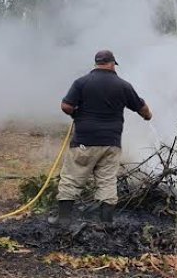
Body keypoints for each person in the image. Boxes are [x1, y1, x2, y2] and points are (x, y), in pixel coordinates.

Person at [52, 50, 153, 228]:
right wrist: (148, 117)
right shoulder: (123, 85)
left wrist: (76, 113)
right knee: (107, 181)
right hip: (111, 144)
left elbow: (66, 106)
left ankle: (64, 220)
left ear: (97, 63)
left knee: (72, 178)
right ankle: (105, 223)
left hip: (84, 141)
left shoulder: (81, 82)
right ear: (113, 64)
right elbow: (143, 109)